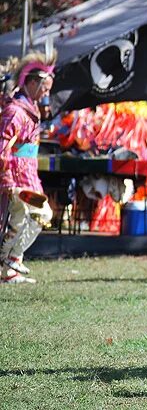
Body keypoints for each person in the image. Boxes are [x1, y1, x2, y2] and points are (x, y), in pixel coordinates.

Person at [0, 50, 56, 284]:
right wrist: (7, 181)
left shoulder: (29, 110)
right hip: (16, 177)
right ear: (32, 82)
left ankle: (9, 268)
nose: (46, 93)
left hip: (27, 175)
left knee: (20, 219)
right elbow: (2, 146)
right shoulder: (15, 112)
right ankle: (12, 258)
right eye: (44, 87)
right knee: (42, 213)